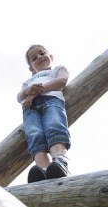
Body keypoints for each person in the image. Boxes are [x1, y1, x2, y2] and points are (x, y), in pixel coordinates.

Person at [17, 44, 71, 182]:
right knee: (34, 135)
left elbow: (61, 81)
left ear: (51, 57)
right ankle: (42, 169)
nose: (40, 57)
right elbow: (19, 97)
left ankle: (60, 163)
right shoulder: (28, 82)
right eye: (34, 58)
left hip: (51, 101)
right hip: (30, 109)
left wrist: (35, 92)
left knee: (54, 126)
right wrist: (27, 91)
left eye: (42, 53)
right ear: (31, 68)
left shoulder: (57, 70)